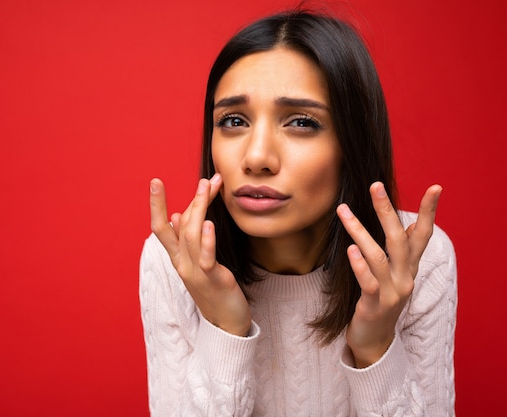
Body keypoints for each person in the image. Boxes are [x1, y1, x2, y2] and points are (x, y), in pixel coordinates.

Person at [139, 7, 457, 417]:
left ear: (352, 143)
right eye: (233, 120)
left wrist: (376, 349)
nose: (256, 158)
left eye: (301, 123)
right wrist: (223, 331)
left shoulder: (417, 258)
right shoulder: (175, 262)